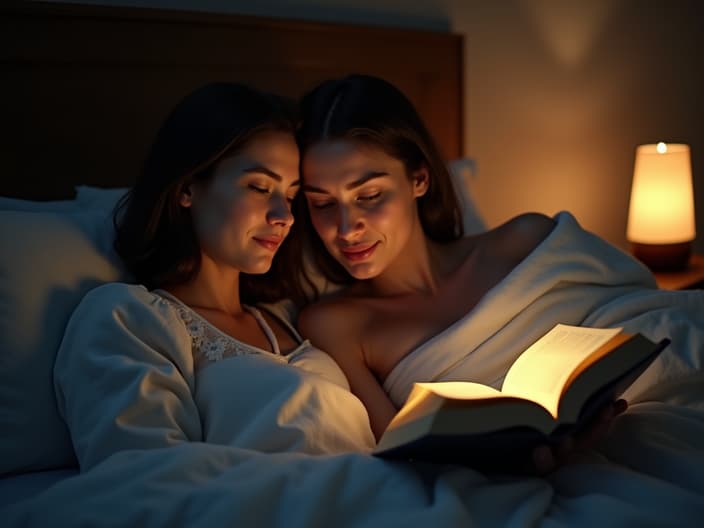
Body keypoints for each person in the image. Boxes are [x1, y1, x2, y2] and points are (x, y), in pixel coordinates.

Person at [294, 74, 627, 473]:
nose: (347, 228)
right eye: (322, 203)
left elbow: (639, 312)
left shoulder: (527, 242)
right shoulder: (336, 325)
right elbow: (400, 450)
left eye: (369, 196)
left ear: (419, 178)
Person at [54, 82, 374, 472]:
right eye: (259, 187)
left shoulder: (289, 315)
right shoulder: (129, 318)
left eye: (290, 196)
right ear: (188, 187)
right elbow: (142, 478)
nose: (284, 216)